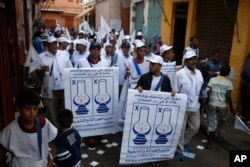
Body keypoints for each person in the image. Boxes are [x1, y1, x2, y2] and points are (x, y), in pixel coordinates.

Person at [0, 90, 57, 167]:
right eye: (27, 108)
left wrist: (50, 160)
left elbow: (49, 144)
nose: (32, 112)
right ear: (19, 109)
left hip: (41, 163)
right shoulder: (11, 129)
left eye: (35, 108)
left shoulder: (44, 124)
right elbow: (3, 148)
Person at [33, 36, 73, 125]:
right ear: (47, 45)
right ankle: (55, 128)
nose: (54, 46)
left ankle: (64, 126)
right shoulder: (41, 57)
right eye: (51, 44)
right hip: (50, 88)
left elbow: (70, 69)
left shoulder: (64, 54)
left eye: (55, 44)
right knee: (52, 110)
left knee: (64, 108)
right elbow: (36, 73)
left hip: (64, 87)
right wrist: (42, 70)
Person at [175, 50, 204, 161]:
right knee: (181, 130)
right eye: (190, 59)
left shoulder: (199, 73)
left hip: (195, 106)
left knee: (195, 127)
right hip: (183, 107)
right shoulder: (179, 74)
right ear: (185, 61)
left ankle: (185, 142)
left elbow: (199, 88)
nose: (193, 61)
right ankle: (179, 150)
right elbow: (176, 90)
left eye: (194, 59)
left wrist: (203, 94)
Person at [205, 64, 235, 149]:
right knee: (224, 118)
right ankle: (217, 131)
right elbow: (228, 97)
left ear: (220, 71)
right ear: (228, 73)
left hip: (212, 104)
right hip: (222, 106)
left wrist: (206, 104)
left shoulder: (212, 80)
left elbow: (208, 92)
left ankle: (209, 144)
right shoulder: (229, 83)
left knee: (211, 123)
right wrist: (232, 108)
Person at [240, 53, 250, 128]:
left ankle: (248, 119)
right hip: (245, 82)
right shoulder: (248, 58)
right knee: (245, 100)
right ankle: (244, 115)